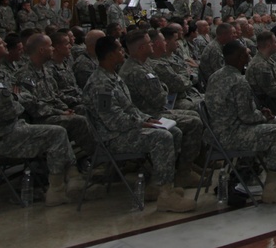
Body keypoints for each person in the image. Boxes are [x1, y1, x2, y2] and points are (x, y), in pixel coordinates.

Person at [0, 32, 85, 206]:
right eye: (1, 43)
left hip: (12, 127)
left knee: (61, 129)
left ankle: (71, 176)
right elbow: (10, 110)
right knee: (57, 133)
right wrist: (16, 100)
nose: (5, 45)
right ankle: (59, 188)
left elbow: (19, 97)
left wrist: (15, 99)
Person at [82, 36, 195, 212]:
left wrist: (147, 119)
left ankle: (158, 184)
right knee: (162, 137)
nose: (123, 52)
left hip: (126, 128)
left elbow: (130, 108)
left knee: (175, 132)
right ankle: (165, 195)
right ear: (111, 55)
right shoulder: (101, 84)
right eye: (119, 50)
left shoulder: (113, 77)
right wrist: (141, 123)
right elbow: (112, 120)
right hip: (113, 137)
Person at [204, 41, 276, 204]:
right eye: (246, 53)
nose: (249, 56)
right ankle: (272, 187)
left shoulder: (215, 76)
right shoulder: (238, 81)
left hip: (216, 133)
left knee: (270, 128)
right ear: (240, 58)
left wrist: (259, 114)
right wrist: (264, 117)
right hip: (232, 135)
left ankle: (269, 176)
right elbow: (246, 116)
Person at [15, 34, 95, 157]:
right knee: (79, 121)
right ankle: (97, 156)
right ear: (41, 50)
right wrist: (59, 112)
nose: (53, 49)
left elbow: (55, 94)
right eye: (50, 46)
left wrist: (64, 108)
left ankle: (91, 154)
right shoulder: (24, 75)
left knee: (87, 110)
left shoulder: (45, 70)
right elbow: (32, 105)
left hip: (54, 112)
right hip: (41, 118)